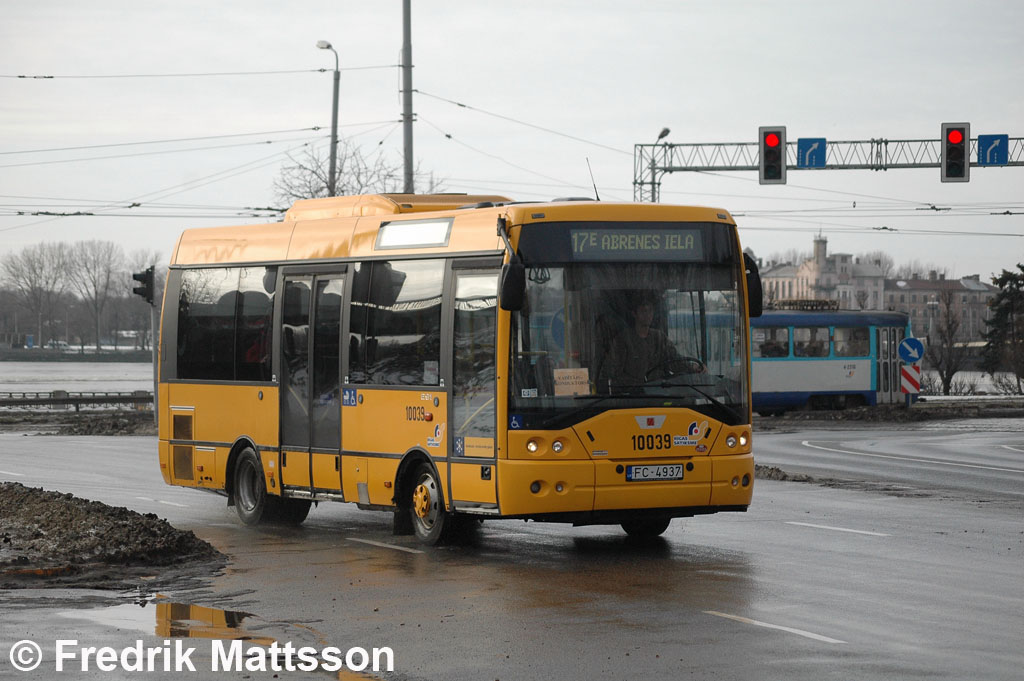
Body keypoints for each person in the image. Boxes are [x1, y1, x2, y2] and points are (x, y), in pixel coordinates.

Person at [605, 299, 683, 388]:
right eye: (643, 311)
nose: (648, 315)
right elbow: (613, 372)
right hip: (633, 395)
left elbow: (675, 360)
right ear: (634, 314)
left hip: (658, 393)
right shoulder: (623, 339)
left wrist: (694, 367)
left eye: (650, 311)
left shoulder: (659, 337)